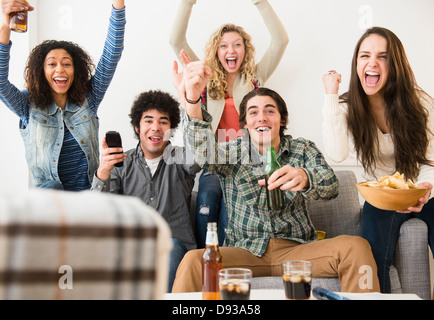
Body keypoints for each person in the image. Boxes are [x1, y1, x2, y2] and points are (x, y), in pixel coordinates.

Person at [171, 61, 380, 293]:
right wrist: (191, 99)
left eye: (270, 111)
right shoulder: (231, 152)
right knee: (192, 260)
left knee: (356, 246)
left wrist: (306, 177)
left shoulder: (302, 149)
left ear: (282, 120)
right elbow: (202, 153)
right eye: (253, 112)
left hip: (297, 250)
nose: (261, 118)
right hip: (245, 252)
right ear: (245, 124)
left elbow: (331, 185)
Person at [322, 26, 434, 293]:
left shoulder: (421, 104)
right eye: (365, 56)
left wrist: (425, 191)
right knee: (373, 258)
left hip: (422, 190)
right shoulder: (346, 107)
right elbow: (336, 154)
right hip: (382, 197)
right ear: (356, 63)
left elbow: (430, 162)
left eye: (382, 56)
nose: (372, 63)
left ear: (395, 64)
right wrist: (330, 96)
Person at [170, 0, 289, 248]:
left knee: (228, 215)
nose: (230, 50)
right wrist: (187, 2)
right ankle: (204, 259)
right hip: (215, 160)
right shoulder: (205, 75)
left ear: (245, 50)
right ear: (216, 51)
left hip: (247, 162)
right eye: (224, 45)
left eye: (237, 44)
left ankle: (226, 264)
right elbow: (176, 41)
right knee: (205, 203)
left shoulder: (255, 77)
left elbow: (280, 41)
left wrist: (260, 2)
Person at [0, 0, 126, 191]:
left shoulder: (89, 100)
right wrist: (4, 26)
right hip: (49, 207)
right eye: (52, 64)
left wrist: (118, 4)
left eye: (67, 64)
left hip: (89, 201)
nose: (60, 69)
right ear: (41, 72)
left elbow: (112, 53)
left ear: (76, 71)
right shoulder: (27, 106)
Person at [91, 90, 201, 292]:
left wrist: (192, 101)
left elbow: (199, 157)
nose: (156, 128)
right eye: (148, 121)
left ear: (171, 129)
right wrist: (103, 171)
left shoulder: (180, 157)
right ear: (137, 127)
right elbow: (99, 209)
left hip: (176, 249)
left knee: (171, 246)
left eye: (163, 122)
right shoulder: (121, 163)